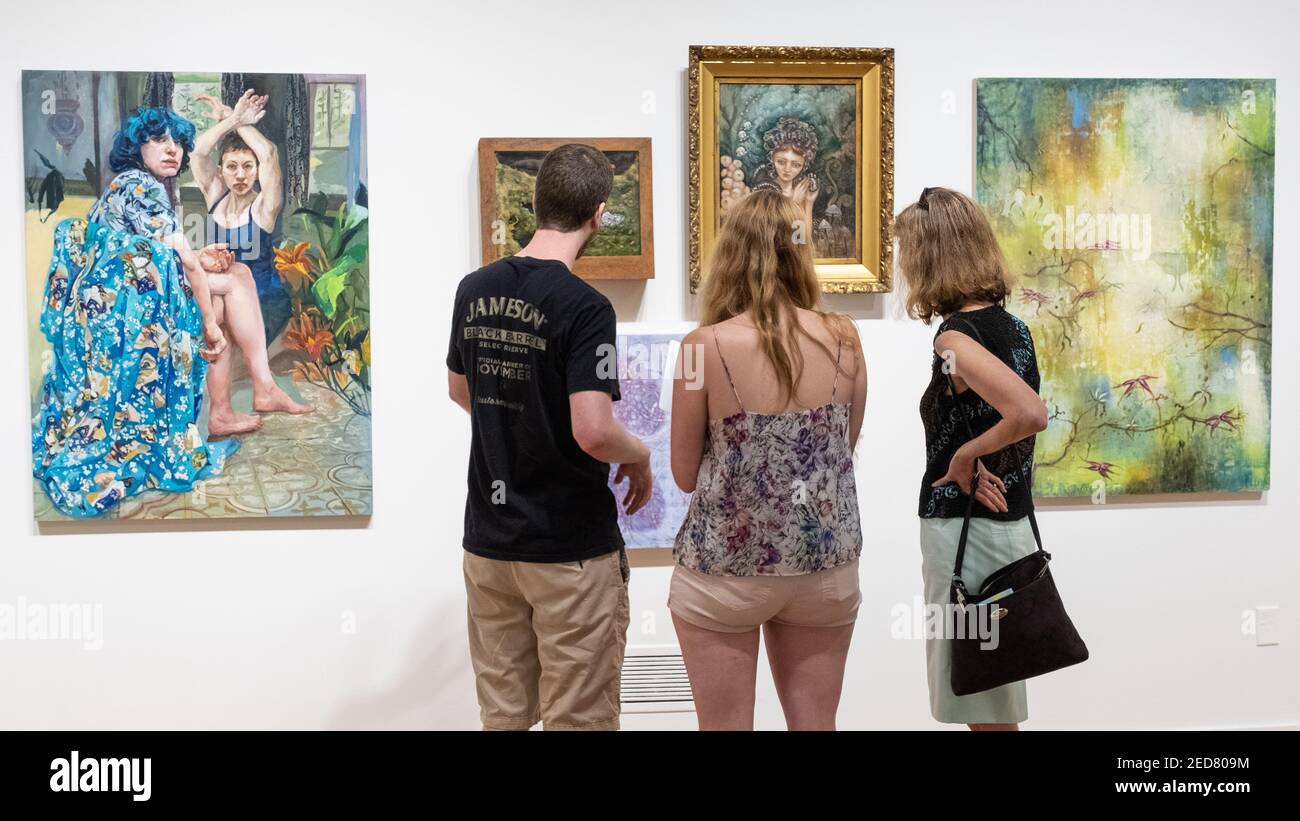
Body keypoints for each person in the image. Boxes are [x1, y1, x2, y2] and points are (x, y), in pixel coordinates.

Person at [446, 144, 651, 730]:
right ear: (598, 213)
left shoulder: (474, 289)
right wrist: (638, 455)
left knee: (504, 716)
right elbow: (593, 431)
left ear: (536, 205)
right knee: (578, 719)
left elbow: (461, 392)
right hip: (568, 550)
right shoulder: (587, 308)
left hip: (489, 543)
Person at [668, 189, 867, 730]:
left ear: (729, 255)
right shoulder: (845, 339)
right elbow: (839, 451)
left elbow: (685, 476)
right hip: (822, 569)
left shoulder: (697, 348)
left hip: (725, 573)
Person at [895, 186, 1049, 731]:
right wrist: (982, 450)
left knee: (979, 692)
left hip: (967, 530)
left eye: (909, 254)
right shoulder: (1013, 327)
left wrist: (963, 456)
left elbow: (1029, 413)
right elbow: (1003, 418)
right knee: (995, 694)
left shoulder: (953, 338)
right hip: (1005, 525)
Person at [33, 107, 238, 517]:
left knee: (214, 286)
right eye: (159, 140)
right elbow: (178, 263)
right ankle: (210, 418)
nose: (172, 150)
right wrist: (212, 330)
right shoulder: (141, 186)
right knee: (217, 299)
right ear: (135, 147)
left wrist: (195, 256)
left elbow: (146, 255)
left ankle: (210, 415)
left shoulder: (124, 187)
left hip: (95, 317)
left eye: (178, 142)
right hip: (120, 316)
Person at [191, 89, 312, 432]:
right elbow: (199, 153)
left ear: (257, 171)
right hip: (229, 292)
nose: (240, 175)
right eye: (232, 167)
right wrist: (232, 120)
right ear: (222, 172)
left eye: (248, 167)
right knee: (216, 302)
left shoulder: (264, 206)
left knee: (218, 307)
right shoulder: (215, 196)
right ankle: (253, 396)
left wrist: (241, 124)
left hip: (262, 296)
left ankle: (228, 408)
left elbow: (270, 153)